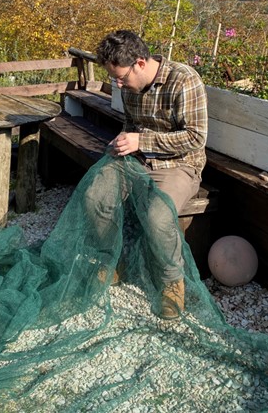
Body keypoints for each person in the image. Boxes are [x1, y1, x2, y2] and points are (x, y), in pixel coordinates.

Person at [90, 29, 208, 320]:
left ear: (140, 63)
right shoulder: (130, 86)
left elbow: (196, 137)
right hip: (136, 160)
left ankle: (172, 282)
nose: (117, 84)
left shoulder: (184, 79)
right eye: (113, 78)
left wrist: (142, 141)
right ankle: (115, 259)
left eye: (121, 77)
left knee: (158, 215)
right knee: (95, 198)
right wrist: (123, 141)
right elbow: (131, 124)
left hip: (179, 165)